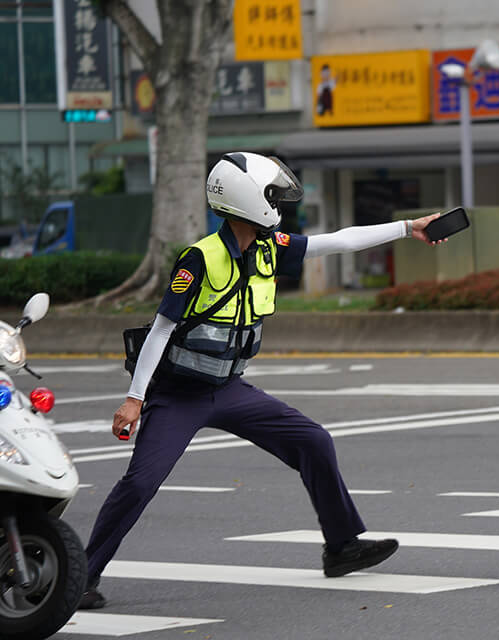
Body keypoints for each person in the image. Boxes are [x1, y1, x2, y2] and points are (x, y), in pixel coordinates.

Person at [78, 152, 443, 610]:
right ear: (246, 199)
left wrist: (408, 228)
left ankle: (342, 546)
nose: (278, 205)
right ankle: (80, 578)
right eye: (272, 196)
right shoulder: (200, 259)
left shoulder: (270, 247)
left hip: (229, 390)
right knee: (140, 483)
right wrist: (134, 399)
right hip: (179, 396)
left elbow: (340, 241)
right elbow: (161, 329)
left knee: (313, 441)